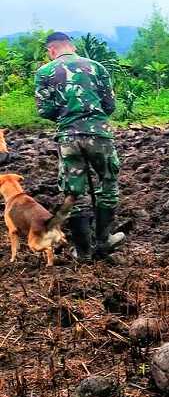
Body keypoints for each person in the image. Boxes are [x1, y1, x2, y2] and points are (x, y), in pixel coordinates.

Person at [34, 32, 125, 262]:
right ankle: (104, 240)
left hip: (69, 138)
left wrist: (67, 117)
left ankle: (83, 251)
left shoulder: (44, 72)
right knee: (108, 184)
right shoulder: (97, 67)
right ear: (71, 46)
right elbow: (109, 104)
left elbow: (44, 110)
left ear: (51, 50)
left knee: (75, 192)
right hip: (99, 135)